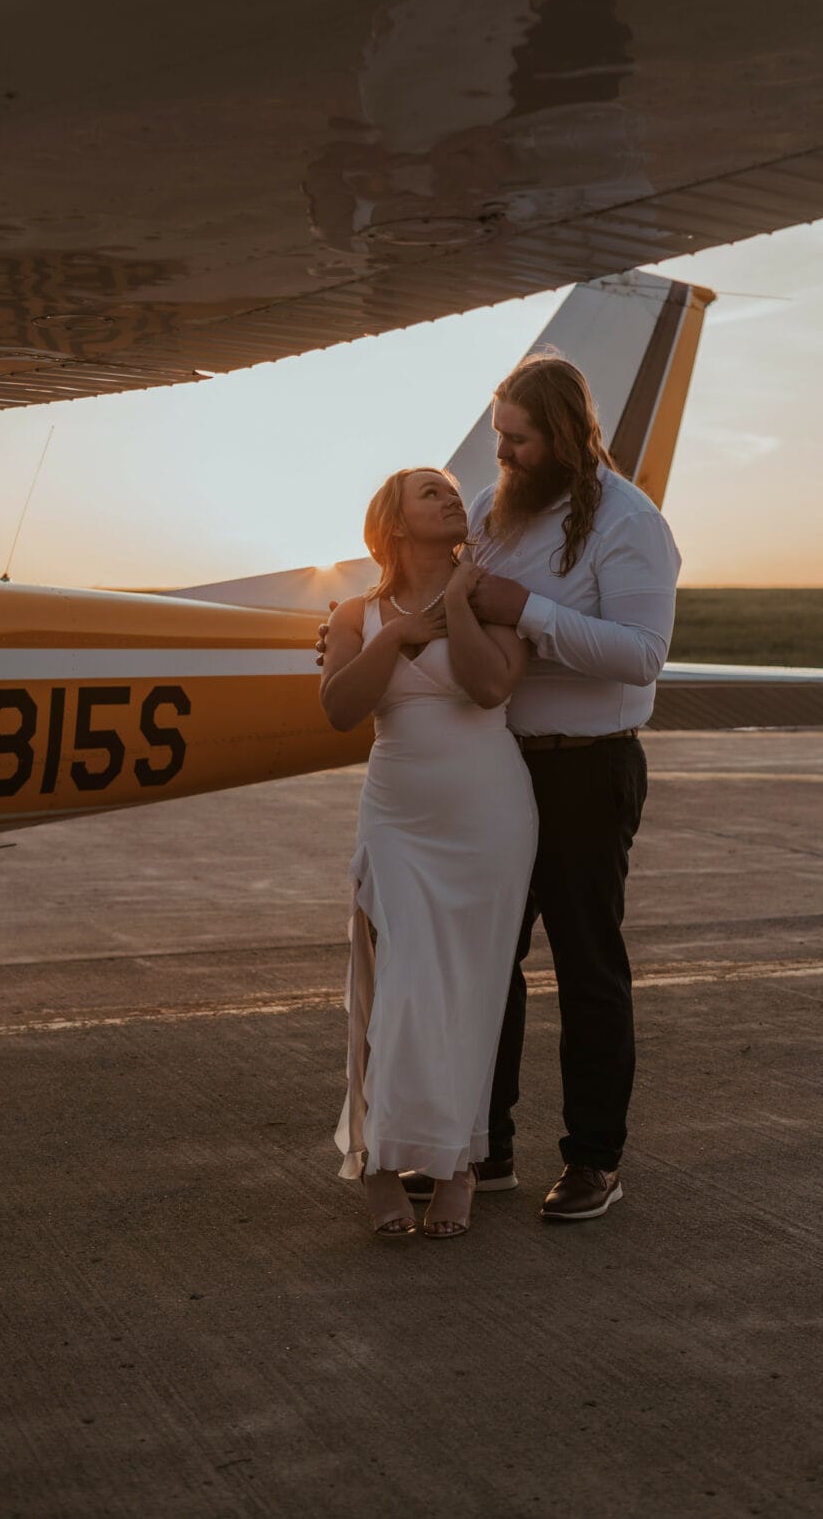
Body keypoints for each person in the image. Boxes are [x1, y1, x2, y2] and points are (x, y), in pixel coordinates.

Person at [400, 354, 679, 1222]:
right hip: (500, 766)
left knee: (589, 967)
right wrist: (371, 637)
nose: (502, 455)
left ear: (560, 437)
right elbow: (447, 602)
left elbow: (641, 654)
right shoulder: (492, 509)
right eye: (497, 437)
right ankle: (484, 1150)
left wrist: (528, 613)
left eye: (516, 440)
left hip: (590, 768)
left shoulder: (632, 525)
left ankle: (595, 1160)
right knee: (491, 963)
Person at [320, 466, 536, 1240]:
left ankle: (457, 1165)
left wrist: (452, 607)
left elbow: (488, 690)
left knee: (471, 996)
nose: (452, 497)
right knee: (402, 990)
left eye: (452, 491)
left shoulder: (489, 599)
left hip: (490, 817)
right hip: (398, 822)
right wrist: (406, 634)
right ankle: (382, 1160)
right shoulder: (357, 613)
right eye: (431, 492)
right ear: (396, 523)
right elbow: (343, 708)